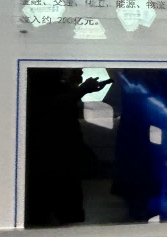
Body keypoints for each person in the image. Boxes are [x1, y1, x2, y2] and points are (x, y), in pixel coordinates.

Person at [24, 69, 112, 226]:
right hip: (51, 145)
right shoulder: (38, 82)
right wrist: (81, 89)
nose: (80, 70)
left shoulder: (50, 84)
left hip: (62, 143)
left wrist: (76, 87)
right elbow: (46, 106)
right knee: (54, 189)